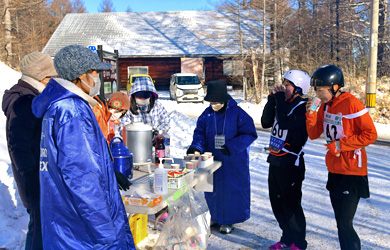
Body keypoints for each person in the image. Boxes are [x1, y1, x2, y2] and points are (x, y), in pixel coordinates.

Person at [31, 44, 136, 249]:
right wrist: (106, 229)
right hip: (81, 230)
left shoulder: (59, 106)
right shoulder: (72, 110)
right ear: (80, 75)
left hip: (66, 221)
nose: (97, 78)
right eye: (95, 72)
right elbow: (81, 176)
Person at [306, 65, 377, 250]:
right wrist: (311, 114)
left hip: (352, 171)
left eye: (320, 90)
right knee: (340, 223)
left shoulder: (352, 103)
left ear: (335, 87)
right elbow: (314, 134)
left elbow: (370, 134)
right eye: (315, 90)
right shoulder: (325, 106)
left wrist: (340, 145)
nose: (317, 94)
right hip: (334, 169)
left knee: (345, 224)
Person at [2, 51, 57, 250]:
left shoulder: (31, 96)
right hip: (34, 177)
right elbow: (19, 145)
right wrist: (33, 178)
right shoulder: (24, 101)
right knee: (39, 226)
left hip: (38, 174)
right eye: (52, 77)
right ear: (42, 77)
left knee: (42, 224)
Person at [187, 80, 257, 234]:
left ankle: (228, 220)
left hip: (233, 160)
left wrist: (232, 146)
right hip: (211, 158)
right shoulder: (207, 114)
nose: (213, 104)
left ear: (224, 99)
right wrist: (196, 147)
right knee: (212, 189)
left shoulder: (238, 113)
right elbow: (199, 132)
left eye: (216, 102)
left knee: (231, 190)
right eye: (211, 102)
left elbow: (250, 133)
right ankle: (215, 216)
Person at [261, 70, 311, 250]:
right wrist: (271, 100)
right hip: (275, 161)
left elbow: (283, 122)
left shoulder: (302, 107)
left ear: (298, 88)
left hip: (291, 164)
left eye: (287, 84)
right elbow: (266, 122)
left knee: (291, 206)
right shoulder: (282, 103)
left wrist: (280, 99)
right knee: (277, 204)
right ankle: (286, 237)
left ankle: (299, 242)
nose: (283, 87)